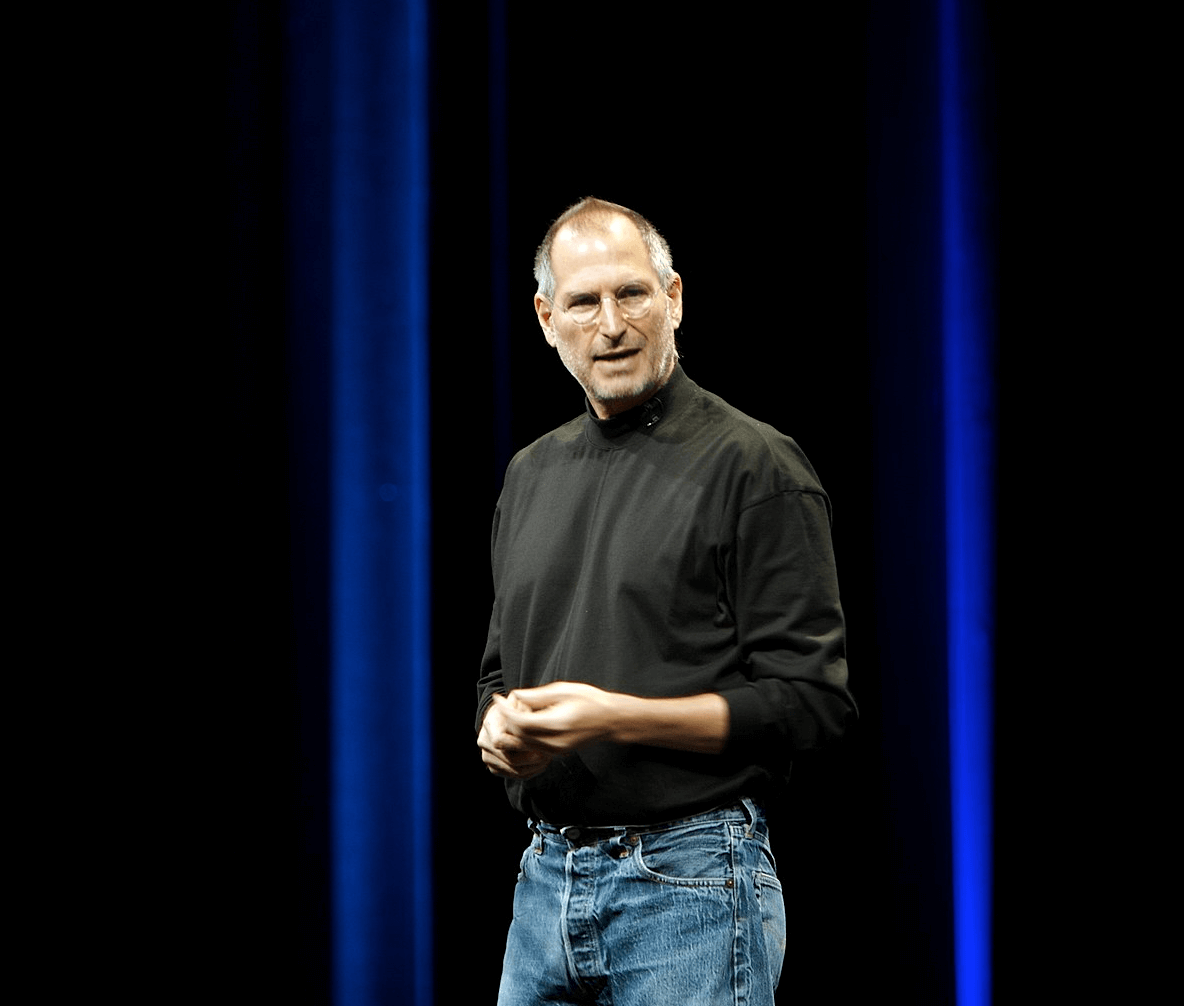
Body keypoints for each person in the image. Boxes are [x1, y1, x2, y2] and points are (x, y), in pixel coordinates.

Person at [476, 197, 856, 1006]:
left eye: (633, 294)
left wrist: (613, 717)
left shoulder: (755, 465)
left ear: (674, 298)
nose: (612, 325)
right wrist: (502, 731)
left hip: (691, 884)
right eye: (584, 302)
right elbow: (500, 674)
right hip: (545, 883)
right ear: (547, 319)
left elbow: (811, 705)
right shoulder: (529, 474)